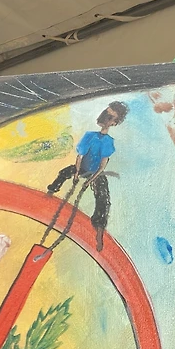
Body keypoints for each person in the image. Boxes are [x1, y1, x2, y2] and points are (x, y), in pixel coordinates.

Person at [46, 101, 129, 252]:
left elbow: (102, 166)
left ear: (114, 123)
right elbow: (80, 156)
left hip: (95, 173)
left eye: (110, 117)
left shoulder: (108, 142)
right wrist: (77, 173)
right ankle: (49, 194)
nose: (105, 118)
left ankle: (99, 229)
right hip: (82, 168)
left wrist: (90, 181)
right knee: (64, 173)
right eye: (106, 113)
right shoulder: (89, 136)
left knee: (103, 197)